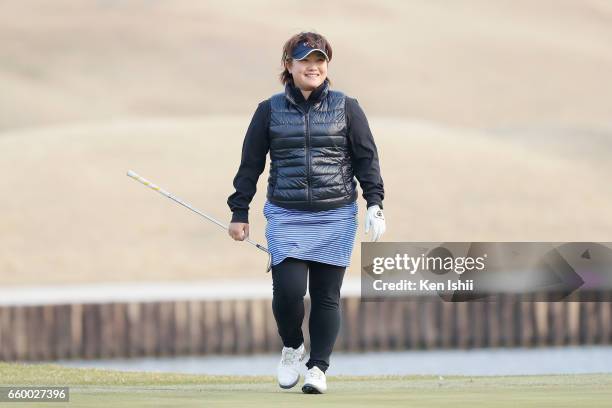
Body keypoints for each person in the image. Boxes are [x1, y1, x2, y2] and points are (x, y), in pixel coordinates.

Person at [227, 31, 386, 394]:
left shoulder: (347, 107)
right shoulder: (269, 110)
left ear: (326, 66)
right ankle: (292, 347)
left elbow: (366, 158)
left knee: (327, 296)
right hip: (286, 213)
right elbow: (250, 164)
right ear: (289, 66)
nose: (313, 67)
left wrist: (374, 203)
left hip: (336, 214)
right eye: (305, 61)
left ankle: (317, 368)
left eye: (319, 61)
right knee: (288, 291)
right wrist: (240, 211)